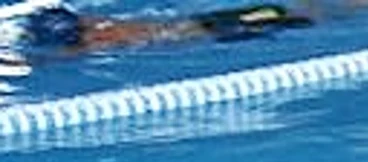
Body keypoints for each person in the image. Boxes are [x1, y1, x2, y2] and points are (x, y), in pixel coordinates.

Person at [16, 3, 315, 53]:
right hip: (206, 24)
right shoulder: (99, 28)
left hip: (214, 30)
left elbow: (50, 58)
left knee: (307, 16)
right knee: (293, 12)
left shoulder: (95, 42)